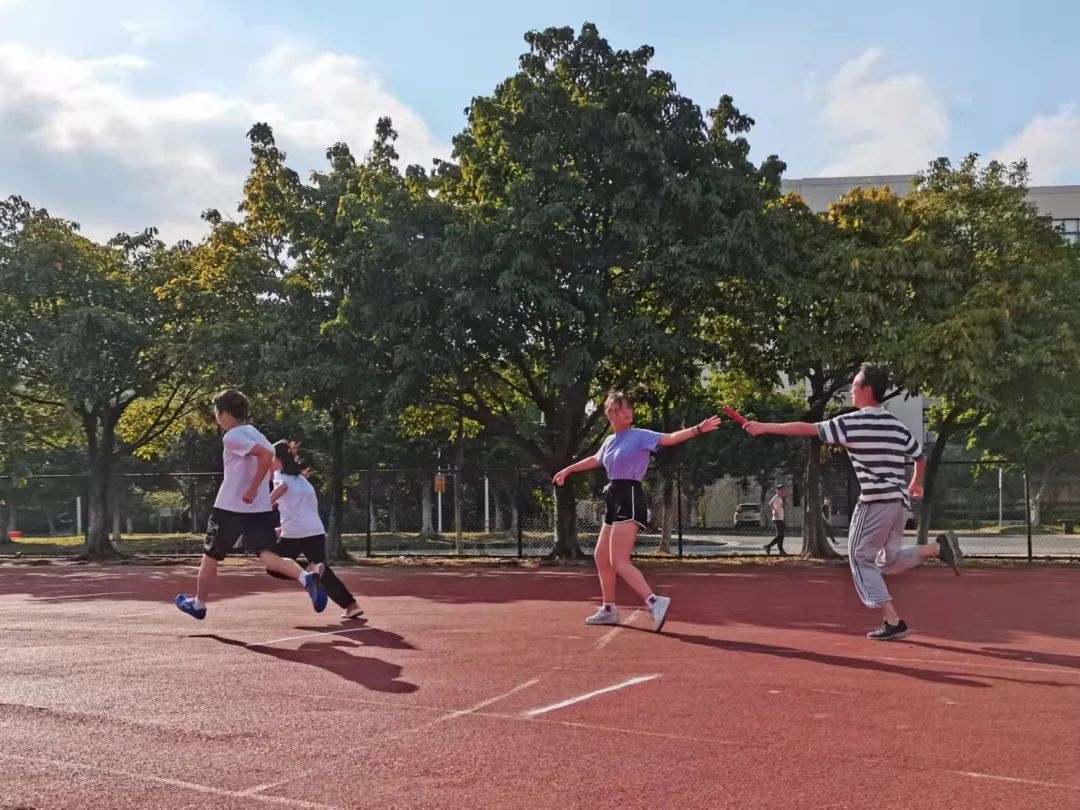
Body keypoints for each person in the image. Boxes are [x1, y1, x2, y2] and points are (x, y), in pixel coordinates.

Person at [742, 364, 962, 641]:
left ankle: (893, 620)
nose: (851, 390)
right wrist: (915, 483)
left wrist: (764, 427)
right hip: (898, 502)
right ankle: (937, 548)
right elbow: (919, 456)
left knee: (860, 557)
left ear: (867, 390)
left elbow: (808, 428)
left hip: (875, 501)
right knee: (888, 562)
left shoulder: (853, 422)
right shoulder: (895, 424)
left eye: (855, 385)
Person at [553, 392, 721, 632]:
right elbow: (595, 459)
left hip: (629, 496)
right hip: (613, 497)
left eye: (628, 407)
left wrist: (698, 429)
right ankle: (609, 609)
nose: (627, 411)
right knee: (602, 558)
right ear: (610, 413)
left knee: (619, 562)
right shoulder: (610, 441)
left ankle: (654, 602)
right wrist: (568, 470)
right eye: (621, 408)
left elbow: (670, 438)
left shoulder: (640, 435)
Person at [175, 389, 327, 620]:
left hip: (229, 507)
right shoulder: (258, 434)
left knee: (210, 556)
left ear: (225, 414)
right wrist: (259, 490)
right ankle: (305, 577)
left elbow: (265, 456)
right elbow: (270, 461)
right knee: (268, 556)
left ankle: (199, 604)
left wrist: (252, 488)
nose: (216, 417)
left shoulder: (231, 436)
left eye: (216, 412)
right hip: (259, 509)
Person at [266, 440, 364, 620]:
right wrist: (280, 529)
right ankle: (351, 605)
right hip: (315, 531)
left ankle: (309, 572)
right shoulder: (300, 479)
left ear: (277, 459)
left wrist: (263, 505)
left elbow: (281, 489)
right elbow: (300, 509)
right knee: (323, 573)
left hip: (296, 533)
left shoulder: (280, 476)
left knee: (273, 566)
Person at [763, 485, 788, 556]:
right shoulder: (776, 497)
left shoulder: (781, 498)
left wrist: (784, 500)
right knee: (781, 535)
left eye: (783, 490)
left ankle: (781, 550)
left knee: (781, 535)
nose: (783, 491)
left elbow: (782, 506)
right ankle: (768, 546)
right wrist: (775, 511)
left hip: (781, 518)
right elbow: (770, 503)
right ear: (777, 490)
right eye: (781, 490)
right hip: (777, 518)